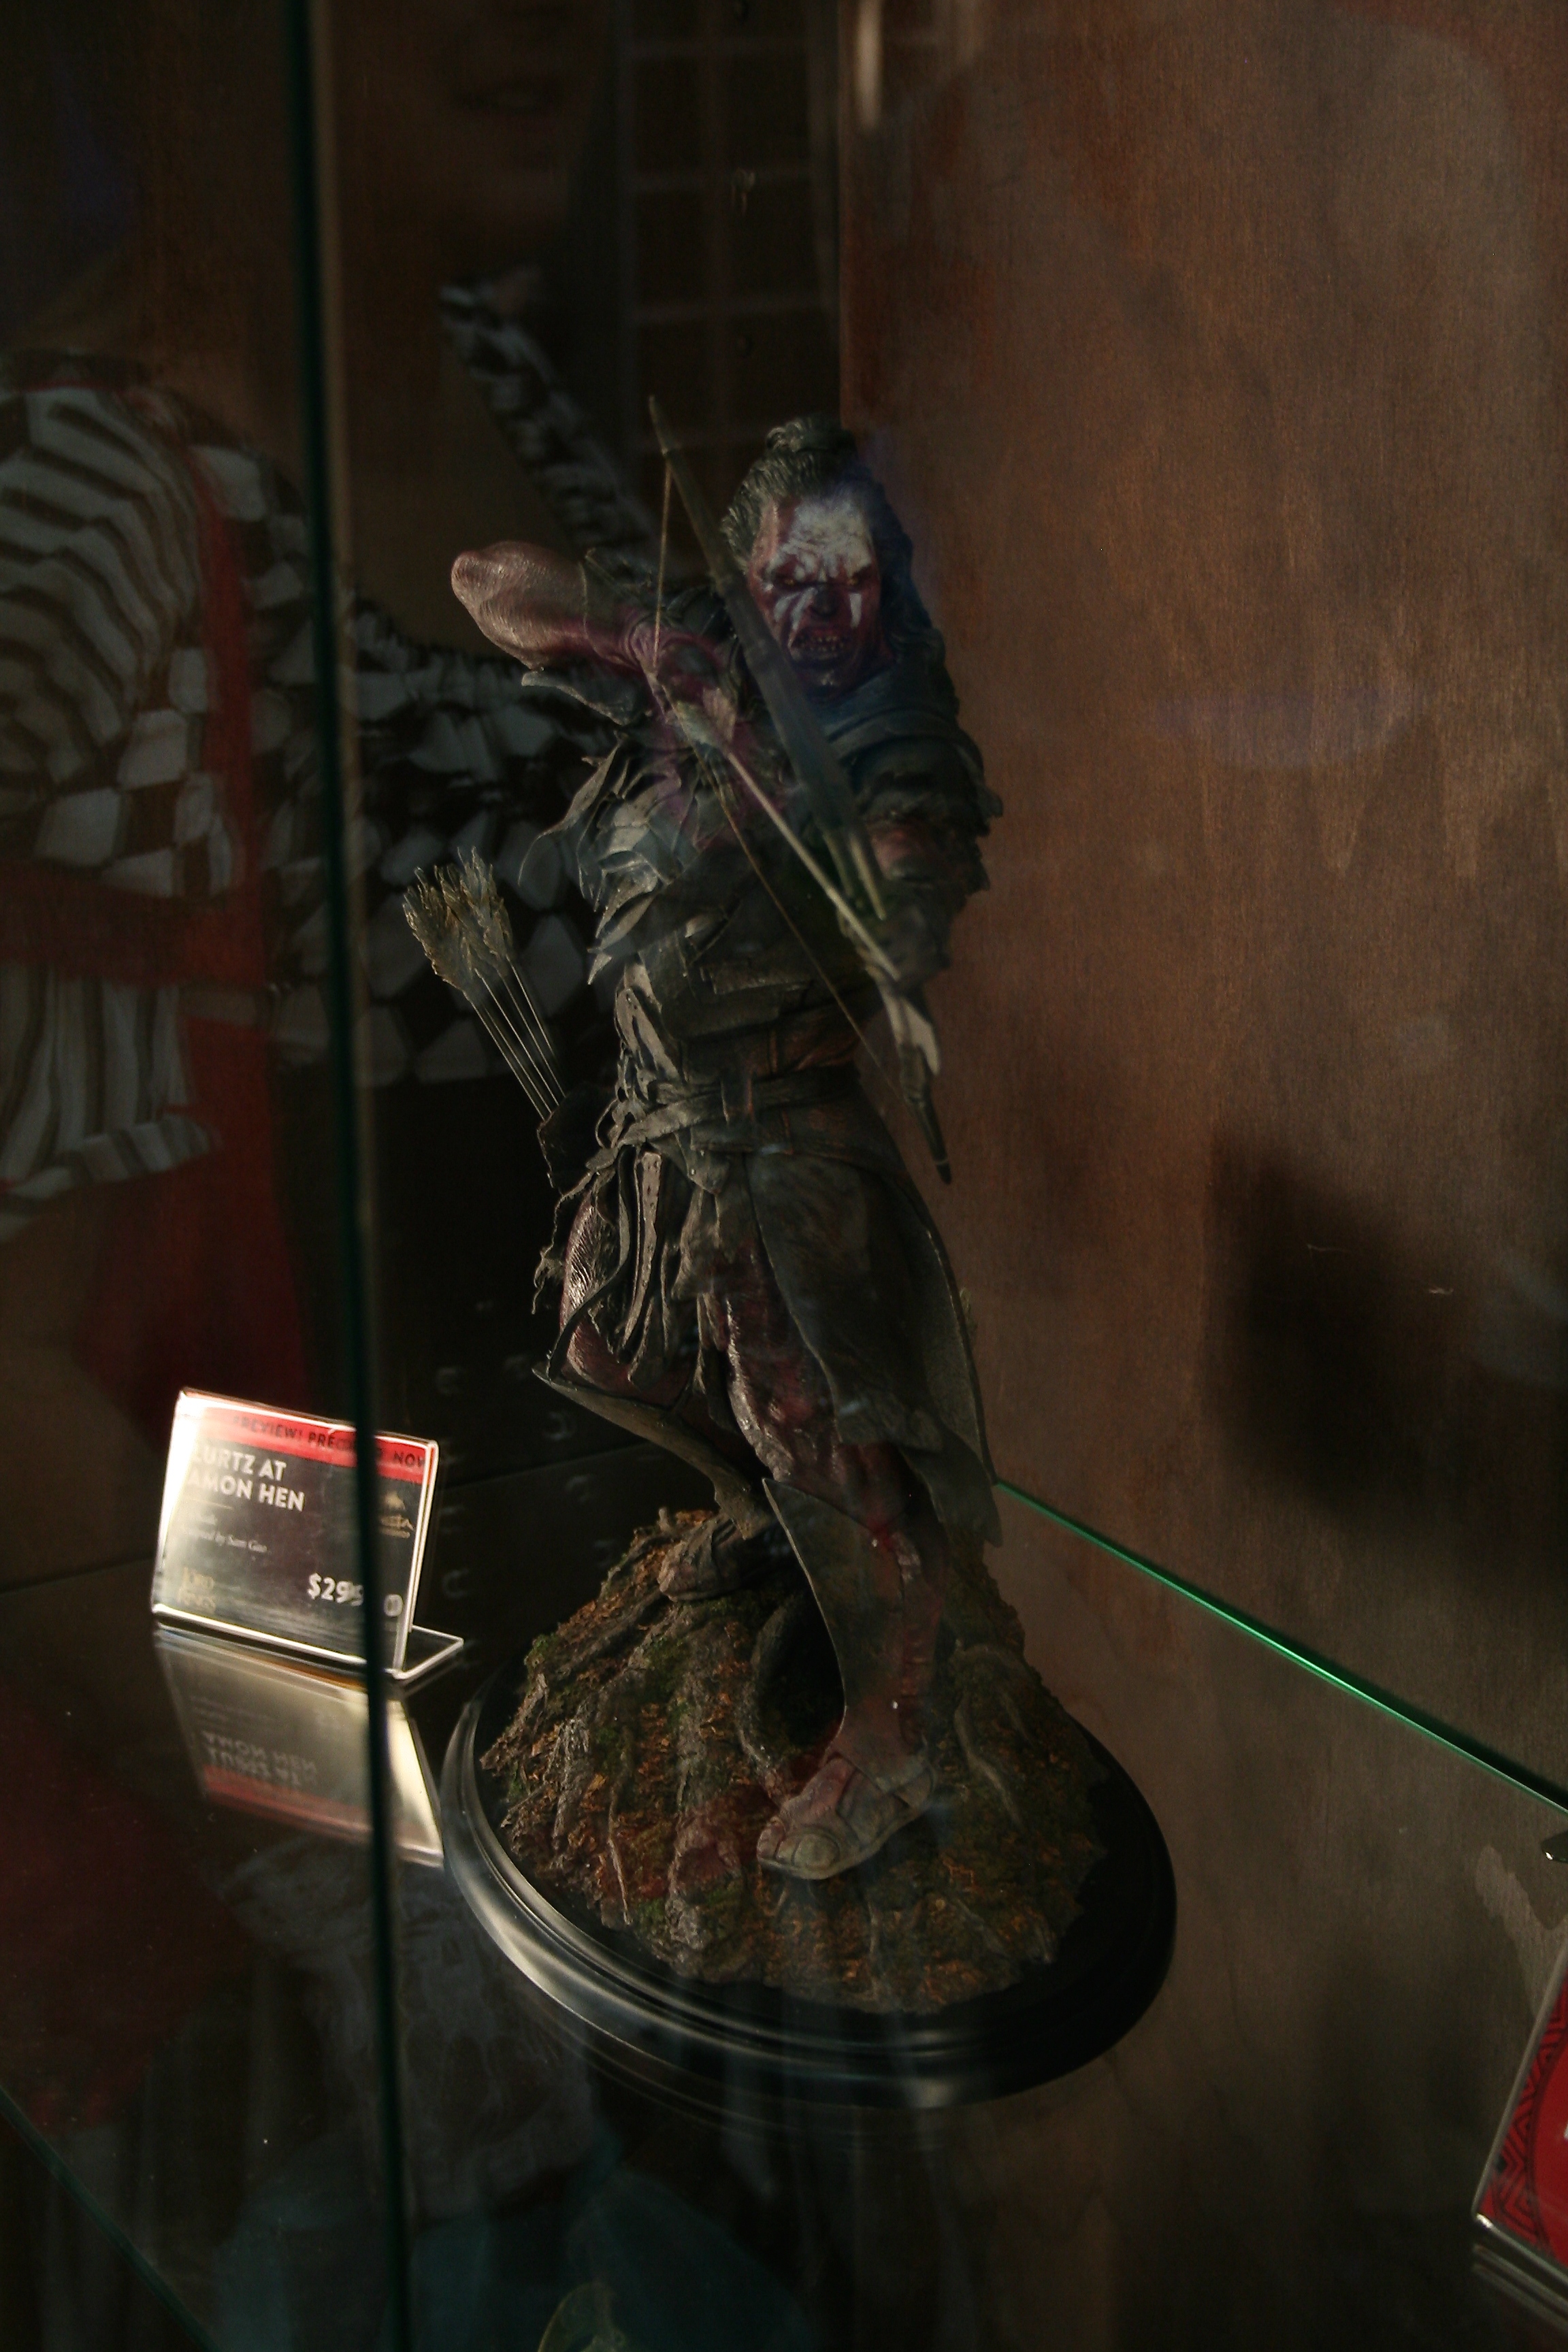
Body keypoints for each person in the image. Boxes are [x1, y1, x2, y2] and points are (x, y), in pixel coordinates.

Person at [453, 415, 1004, 1880]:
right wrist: (639, 643)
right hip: (659, 1120)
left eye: (848, 576)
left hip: (777, 1139)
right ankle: (763, 1516)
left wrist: (868, 873)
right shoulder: (705, 646)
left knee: (818, 1424)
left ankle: (897, 1731)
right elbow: (482, 580)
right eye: (788, 576)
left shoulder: (889, 723)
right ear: (751, 572)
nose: (819, 605)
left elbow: (915, 874)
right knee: (607, 1346)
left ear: (880, 579)